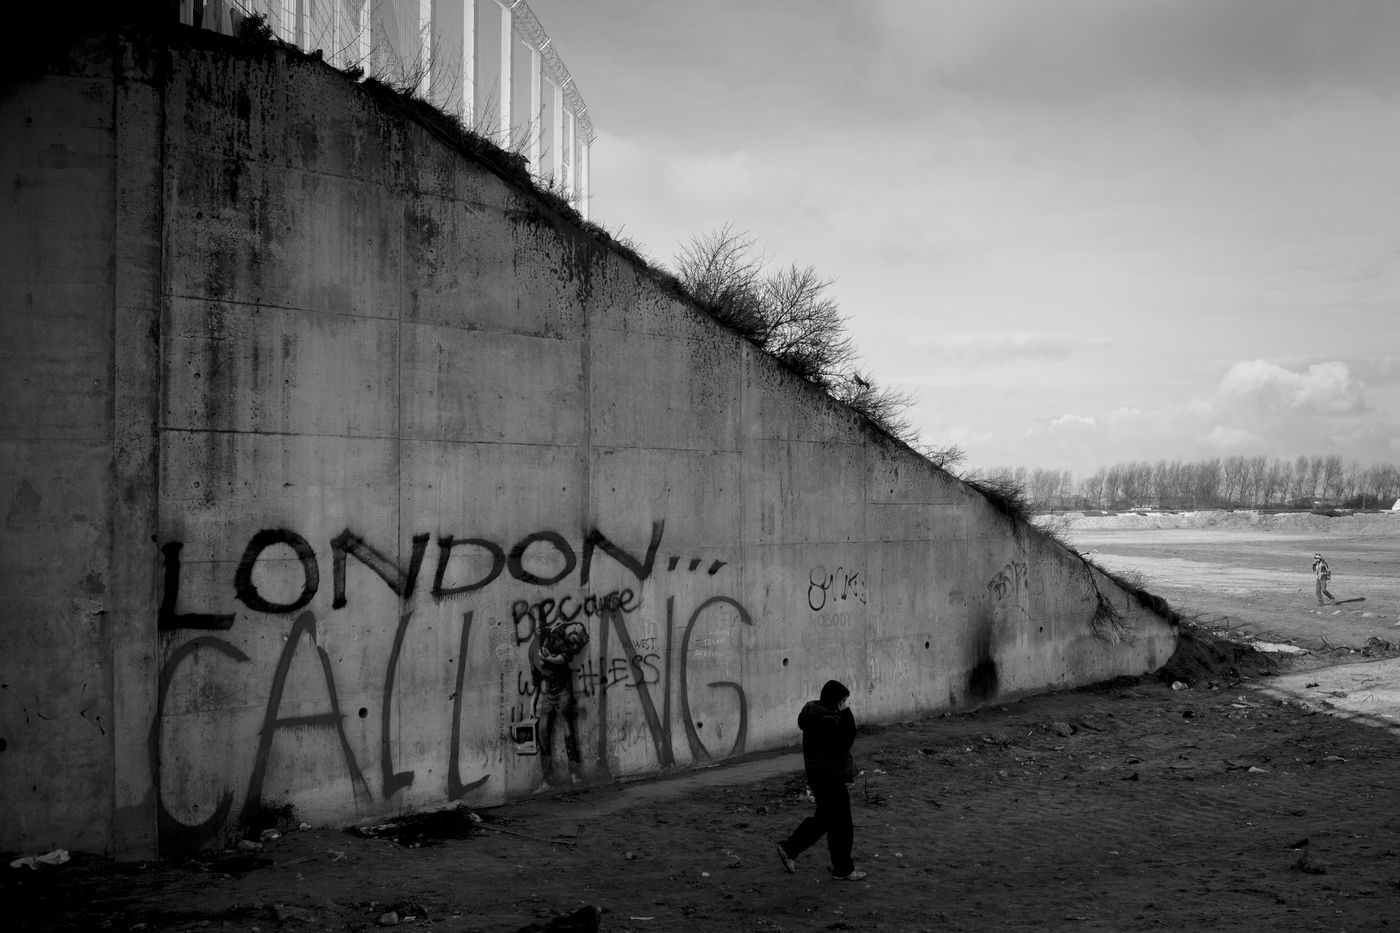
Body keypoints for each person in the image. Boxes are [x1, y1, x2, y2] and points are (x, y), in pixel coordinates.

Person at [775, 680, 866, 881]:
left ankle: (793, 850)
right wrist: (847, 713)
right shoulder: (828, 720)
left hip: (820, 776)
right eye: (843, 700)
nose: (844, 704)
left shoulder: (814, 713)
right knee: (840, 823)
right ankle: (841, 868)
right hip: (829, 777)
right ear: (835, 700)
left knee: (828, 820)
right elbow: (846, 741)